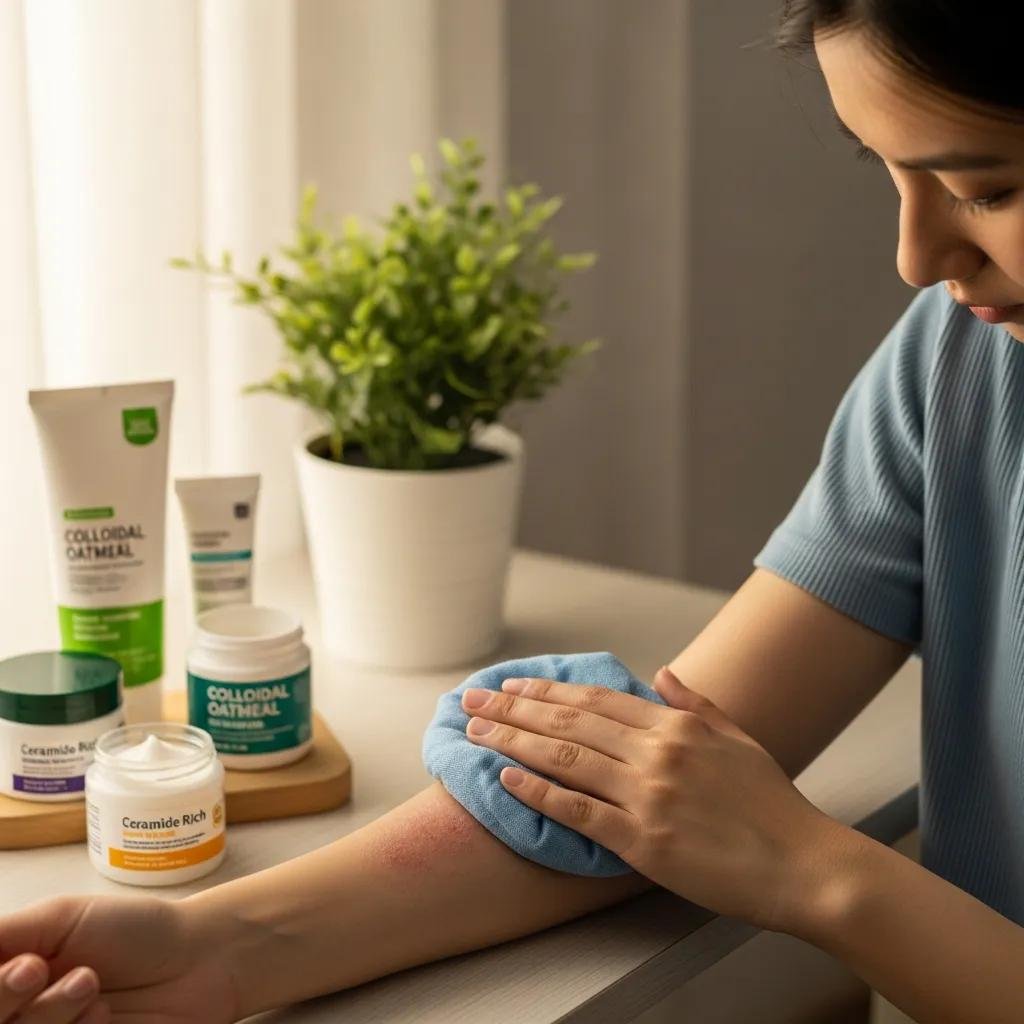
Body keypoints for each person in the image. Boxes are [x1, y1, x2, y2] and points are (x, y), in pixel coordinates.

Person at [3, 1, 1024, 1020]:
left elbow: (755, 836)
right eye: (888, 172)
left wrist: (814, 872)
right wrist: (214, 944)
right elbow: (638, 786)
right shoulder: (956, 364)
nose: (917, 257)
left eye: (985, 189)